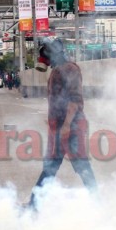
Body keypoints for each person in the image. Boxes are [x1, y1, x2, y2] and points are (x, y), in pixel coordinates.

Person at [28, 38, 97, 209]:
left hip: (71, 126)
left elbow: (75, 100)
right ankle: (33, 205)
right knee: (50, 166)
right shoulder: (58, 70)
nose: (46, 62)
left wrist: (66, 125)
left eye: (47, 58)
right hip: (59, 127)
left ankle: (97, 201)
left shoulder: (70, 69)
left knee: (81, 165)